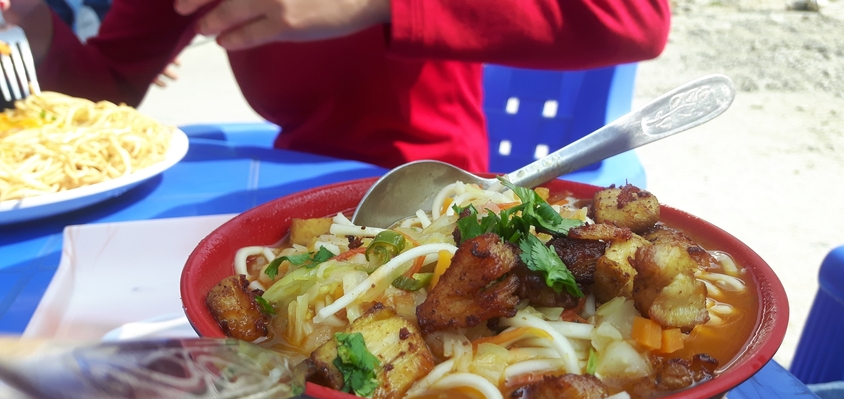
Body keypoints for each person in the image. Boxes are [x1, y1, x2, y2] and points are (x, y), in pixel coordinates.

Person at [2, 0, 670, 172]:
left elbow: (632, 20)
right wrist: (32, 26)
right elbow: (108, 89)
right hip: (288, 187)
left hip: (428, 192)